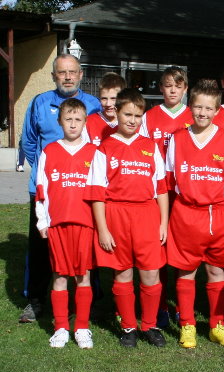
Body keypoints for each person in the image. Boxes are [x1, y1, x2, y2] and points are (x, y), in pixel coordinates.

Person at [20, 54, 101, 323]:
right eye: (61, 72)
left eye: (72, 72)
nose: (67, 76)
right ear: (54, 76)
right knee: (41, 246)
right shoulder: (39, 102)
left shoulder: (93, 105)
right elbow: (29, 143)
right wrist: (50, 171)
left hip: (81, 191)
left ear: (80, 75)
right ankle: (35, 299)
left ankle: (89, 298)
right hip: (46, 190)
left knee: (86, 245)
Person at [85, 88, 169, 348]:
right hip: (117, 215)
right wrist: (103, 230)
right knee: (122, 274)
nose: (132, 120)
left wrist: (163, 222)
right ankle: (129, 327)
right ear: (117, 113)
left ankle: (150, 325)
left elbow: (161, 188)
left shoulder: (150, 147)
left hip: (146, 214)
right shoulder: (105, 148)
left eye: (138, 115)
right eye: (127, 114)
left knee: (150, 274)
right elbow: (97, 193)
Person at [166, 79, 224, 349]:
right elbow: (169, 181)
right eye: (198, 107)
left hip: (218, 215)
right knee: (185, 271)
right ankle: (187, 324)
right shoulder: (176, 139)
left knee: (216, 270)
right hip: (186, 214)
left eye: (208, 109)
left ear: (217, 110)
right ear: (190, 107)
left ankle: (217, 324)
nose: (203, 113)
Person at [35, 99, 97, 348]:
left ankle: (82, 327)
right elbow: (42, 188)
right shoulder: (50, 151)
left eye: (78, 119)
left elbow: (101, 191)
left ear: (85, 122)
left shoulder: (94, 153)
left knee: (83, 276)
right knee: (59, 276)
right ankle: (60, 326)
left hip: (85, 225)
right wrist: (42, 220)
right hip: (58, 224)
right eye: (68, 119)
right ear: (60, 121)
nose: (73, 124)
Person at [138, 66, 193, 327]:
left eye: (177, 86)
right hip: (157, 192)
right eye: (168, 85)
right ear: (160, 88)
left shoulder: (194, 115)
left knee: (182, 251)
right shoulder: (149, 117)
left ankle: (183, 307)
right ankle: (158, 305)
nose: (172, 90)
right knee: (156, 250)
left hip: (184, 192)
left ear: (185, 89)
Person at [82, 72, 127, 146]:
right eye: (104, 99)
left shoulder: (130, 123)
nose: (108, 104)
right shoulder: (88, 123)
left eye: (113, 99)